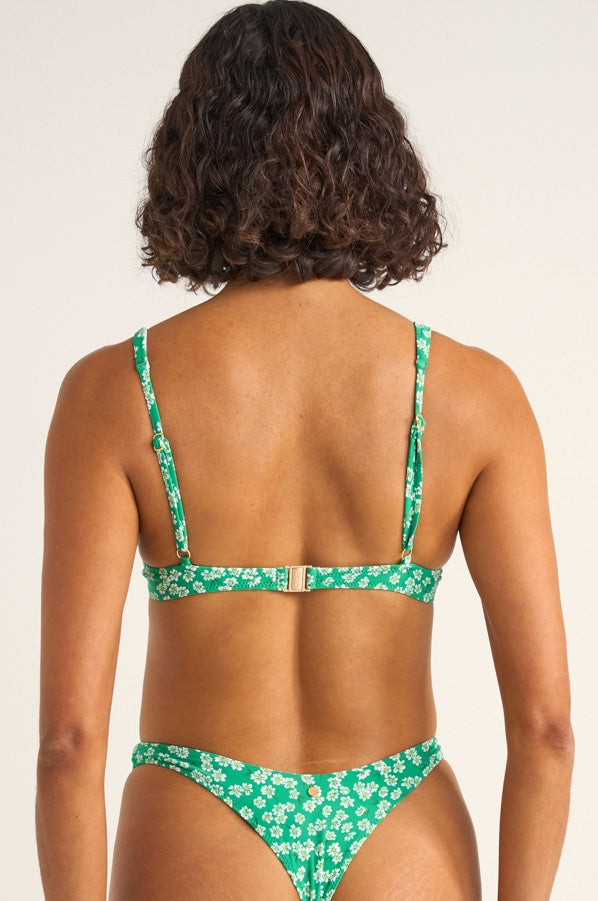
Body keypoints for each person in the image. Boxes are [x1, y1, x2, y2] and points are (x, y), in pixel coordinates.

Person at [35, 2, 574, 899]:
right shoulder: (477, 395)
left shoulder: (115, 392)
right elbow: (548, 729)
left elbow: (67, 743)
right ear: (374, 156)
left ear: (193, 160)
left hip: (198, 814)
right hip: (402, 827)